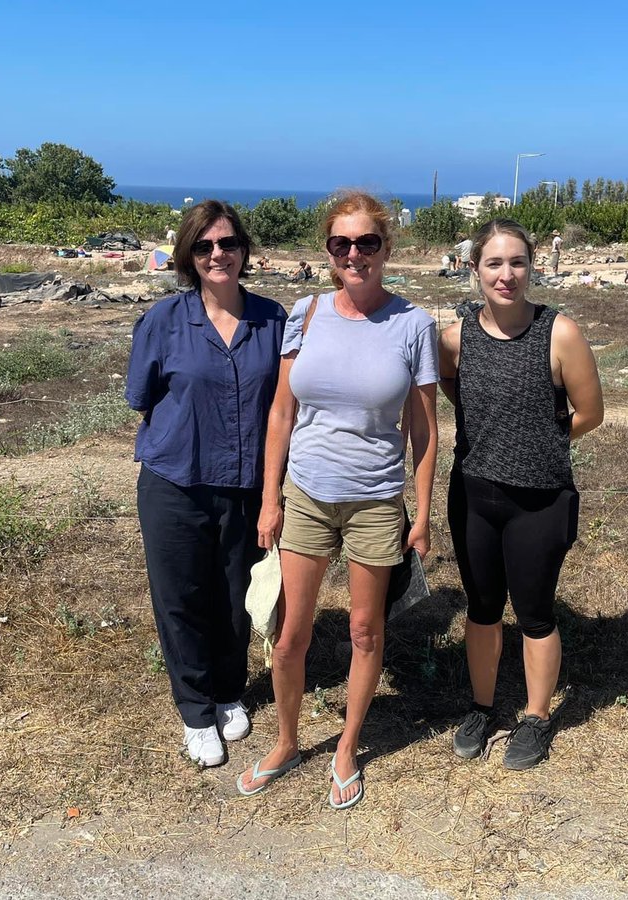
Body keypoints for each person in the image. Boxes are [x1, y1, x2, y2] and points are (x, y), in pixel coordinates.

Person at [237, 191, 439, 809]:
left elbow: (425, 429)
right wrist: (270, 498)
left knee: (363, 630)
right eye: (341, 243)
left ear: (386, 249)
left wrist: (423, 511)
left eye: (367, 242)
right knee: (291, 632)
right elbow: (281, 411)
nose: (355, 254)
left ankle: (348, 747)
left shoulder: (413, 324)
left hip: (376, 498)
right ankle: (287, 742)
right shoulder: (307, 312)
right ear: (328, 251)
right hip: (306, 493)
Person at [126, 200, 287, 768]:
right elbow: (142, 397)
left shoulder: (274, 320)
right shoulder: (164, 320)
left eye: (227, 243)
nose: (217, 254)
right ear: (188, 257)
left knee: (236, 597)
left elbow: (285, 407)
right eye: (204, 246)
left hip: (247, 486)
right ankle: (195, 709)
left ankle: (226, 690)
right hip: (175, 481)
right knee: (181, 597)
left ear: (244, 250)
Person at [438, 218, 603, 770]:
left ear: (532, 267)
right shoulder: (455, 338)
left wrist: (539, 441)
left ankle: (534, 717)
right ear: (474, 269)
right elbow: (451, 388)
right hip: (473, 494)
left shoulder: (560, 333)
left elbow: (590, 413)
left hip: (540, 498)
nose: (506, 275)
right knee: (483, 609)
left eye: (517, 263)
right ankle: (482, 708)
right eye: (494, 263)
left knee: (534, 612)